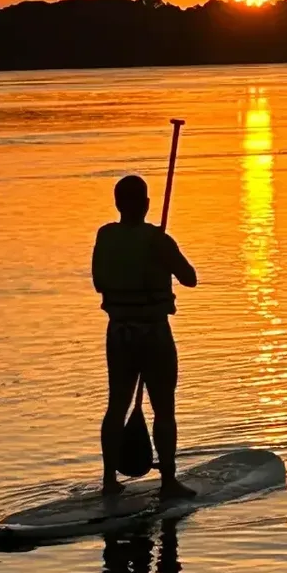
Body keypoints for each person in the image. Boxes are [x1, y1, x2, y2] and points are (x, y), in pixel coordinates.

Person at [92, 173, 198, 498]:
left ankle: (109, 480)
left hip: (120, 333)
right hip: (154, 335)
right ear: (147, 205)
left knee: (116, 406)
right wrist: (162, 252)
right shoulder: (158, 241)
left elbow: (99, 283)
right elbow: (190, 278)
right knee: (164, 409)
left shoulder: (105, 237)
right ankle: (168, 482)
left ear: (117, 204)